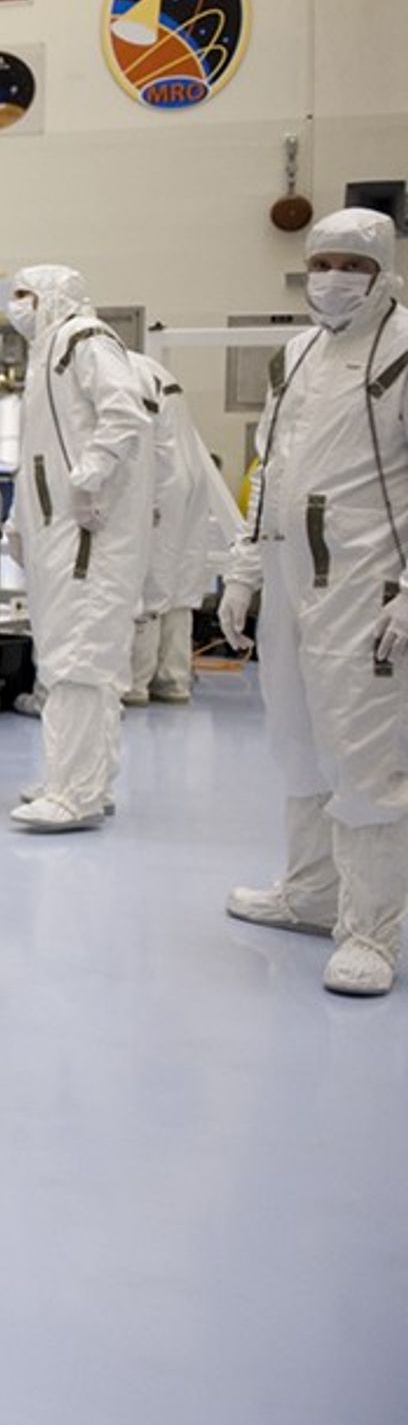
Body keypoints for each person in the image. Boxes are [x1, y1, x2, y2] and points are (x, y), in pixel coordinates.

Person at [220, 208, 408, 997]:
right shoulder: (296, 355)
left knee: (366, 755)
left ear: (383, 268)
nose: (332, 278)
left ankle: (373, 931)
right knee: (296, 739)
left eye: (350, 264)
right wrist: (244, 568)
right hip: (290, 576)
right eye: (320, 262)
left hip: (368, 581)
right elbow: (270, 464)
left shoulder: (401, 350)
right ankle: (310, 892)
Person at [5, 266, 153, 831]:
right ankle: (79, 778)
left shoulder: (84, 339)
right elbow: (35, 454)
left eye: (25, 296)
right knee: (69, 656)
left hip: (90, 529)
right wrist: (20, 523)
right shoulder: (47, 353)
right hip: (56, 528)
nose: (16, 307)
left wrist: (91, 476)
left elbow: (124, 413)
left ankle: (76, 793)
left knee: (79, 658)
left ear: (52, 298)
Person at [127, 349, 241, 706]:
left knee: (149, 581)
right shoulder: (150, 367)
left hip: (162, 482)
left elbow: (131, 435)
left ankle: (134, 683)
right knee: (181, 583)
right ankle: (172, 680)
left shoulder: (120, 373)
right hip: (190, 475)